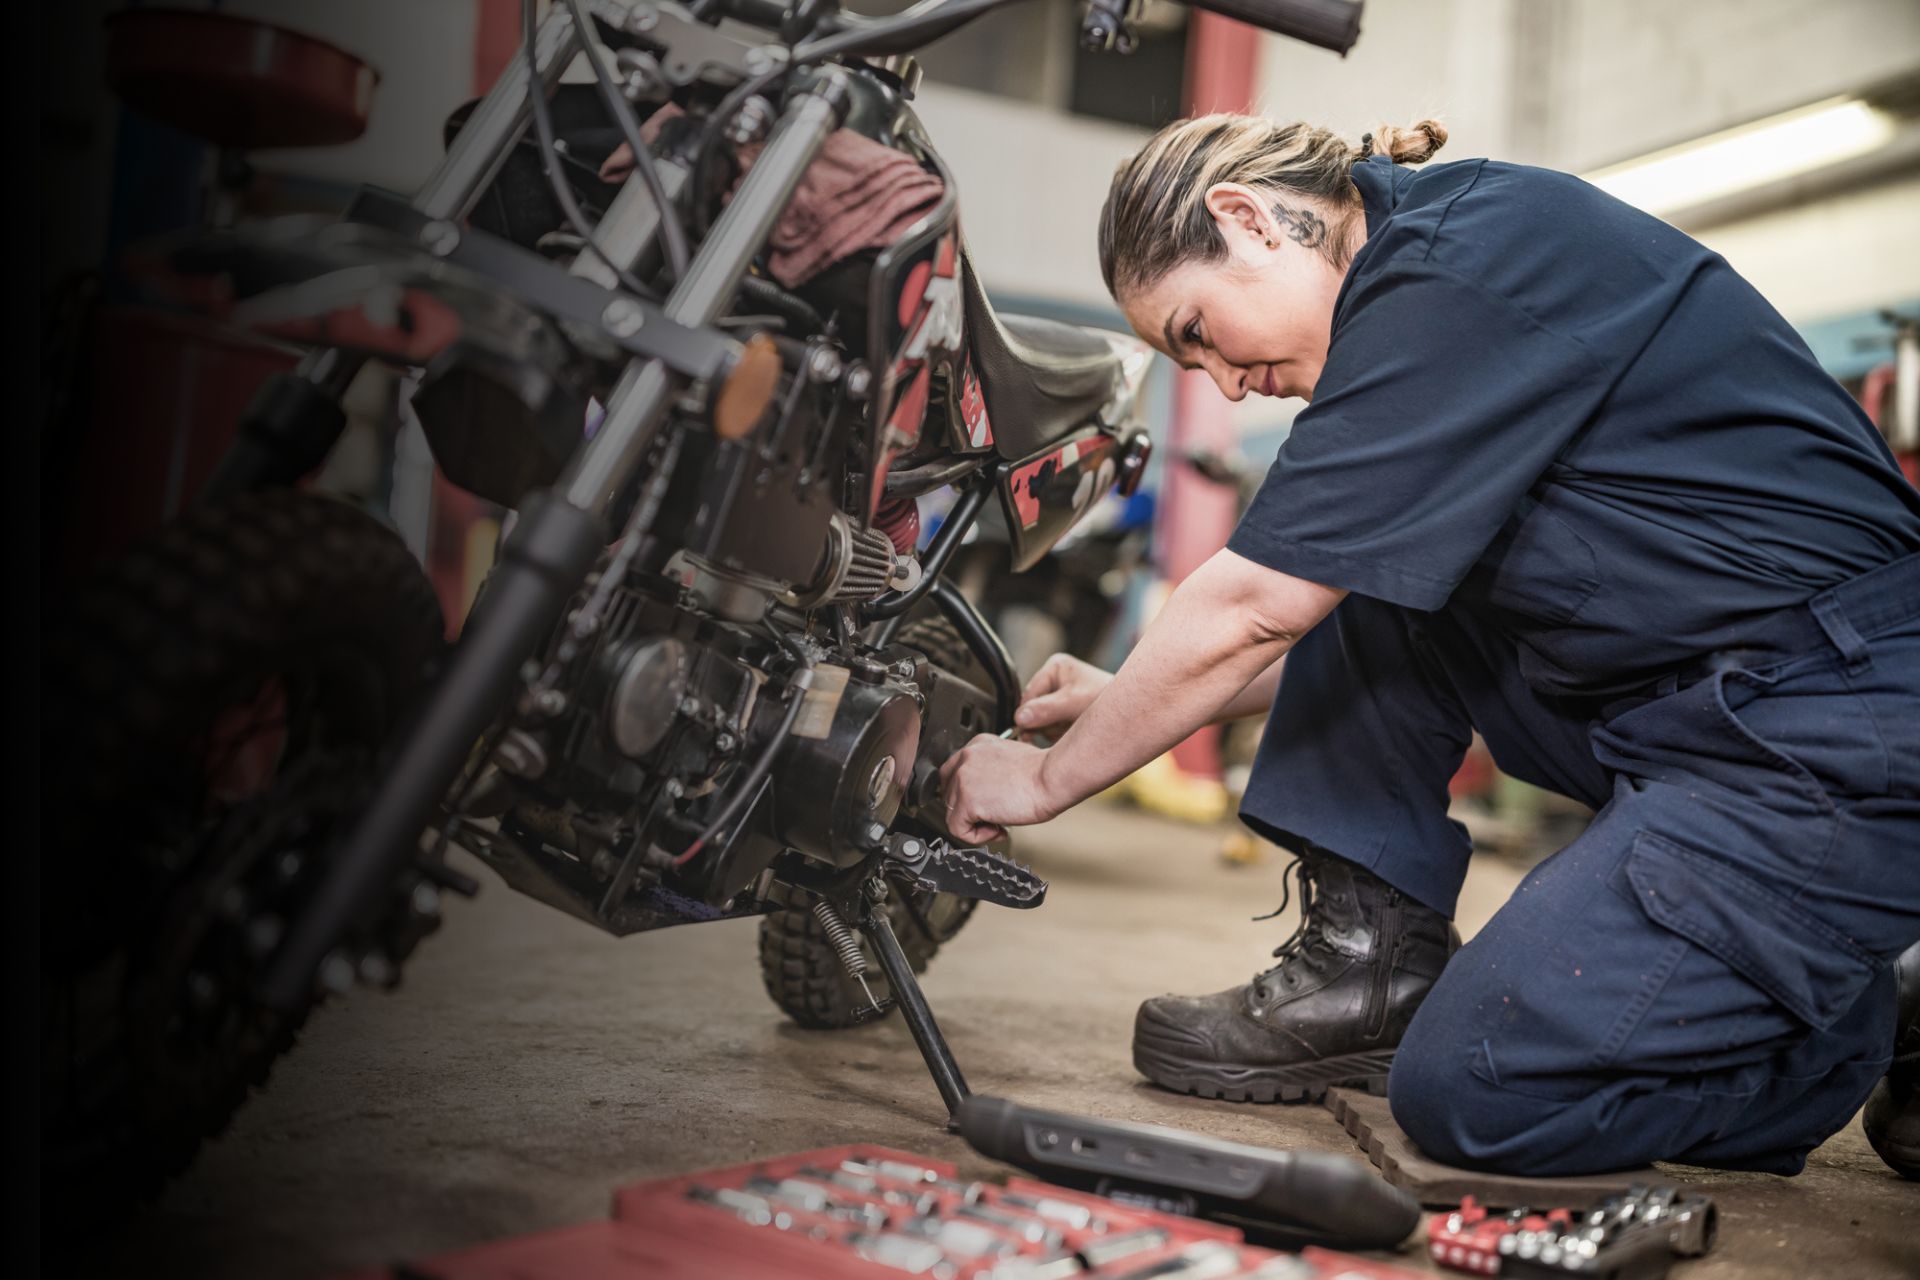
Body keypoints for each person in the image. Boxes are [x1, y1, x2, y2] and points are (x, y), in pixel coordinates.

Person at [937, 114, 1920, 1178]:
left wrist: (1041, 779)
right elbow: (1328, 608)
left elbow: (1255, 604)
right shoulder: (1430, 276)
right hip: (1705, 707)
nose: (1220, 382)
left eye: (1198, 331)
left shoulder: (1464, 266)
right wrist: (1132, 696)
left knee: (1481, 1090)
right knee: (1377, 572)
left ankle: (1835, 1031)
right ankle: (1370, 970)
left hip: (1836, 732)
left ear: (1248, 219)